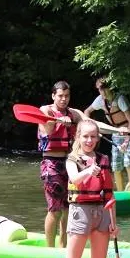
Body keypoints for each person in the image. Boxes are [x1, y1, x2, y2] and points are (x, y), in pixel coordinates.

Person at [57, 119, 118, 258]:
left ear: (97, 138)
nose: (89, 140)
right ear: (78, 137)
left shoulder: (104, 160)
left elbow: (109, 194)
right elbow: (74, 179)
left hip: (102, 214)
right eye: (85, 136)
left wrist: (114, 222)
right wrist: (89, 170)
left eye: (93, 137)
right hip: (80, 213)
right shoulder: (72, 159)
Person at [38, 80, 83, 248]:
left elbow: (91, 124)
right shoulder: (46, 110)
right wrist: (58, 121)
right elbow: (46, 130)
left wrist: (119, 130)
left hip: (70, 164)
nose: (64, 99)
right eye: (60, 96)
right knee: (55, 210)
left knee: (69, 209)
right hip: (52, 163)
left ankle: (63, 246)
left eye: (67, 96)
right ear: (53, 96)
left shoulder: (74, 113)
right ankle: (49, 249)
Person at [83, 77, 130, 191]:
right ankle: (120, 193)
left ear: (110, 87)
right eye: (99, 89)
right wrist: (90, 127)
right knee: (116, 165)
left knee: (128, 163)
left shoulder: (120, 99)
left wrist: (127, 141)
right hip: (116, 131)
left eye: (103, 88)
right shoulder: (99, 100)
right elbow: (87, 112)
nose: (101, 92)